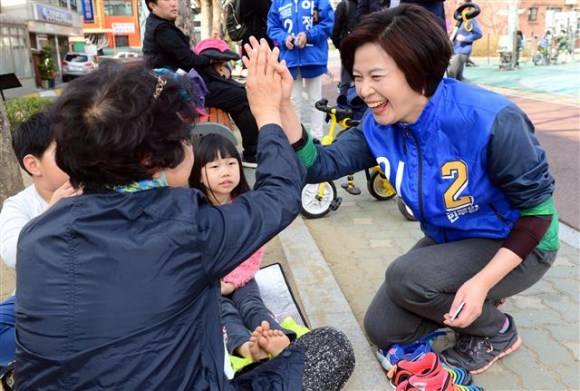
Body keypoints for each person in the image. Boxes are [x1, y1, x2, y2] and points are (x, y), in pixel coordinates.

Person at [14, 38, 355, 390]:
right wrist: (267, 113)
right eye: (185, 136)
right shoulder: (186, 228)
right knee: (330, 348)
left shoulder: (35, 235)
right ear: (152, 160)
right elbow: (280, 196)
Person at [280, 4, 559, 376]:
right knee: (383, 329)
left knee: (407, 276)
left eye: (377, 76)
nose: (364, 91)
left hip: (522, 241)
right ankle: (476, 295)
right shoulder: (380, 125)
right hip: (457, 239)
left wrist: (480, 283)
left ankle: (497, 331)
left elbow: (537, 214)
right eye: (358, 76)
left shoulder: (490, 119)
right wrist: (281, 106)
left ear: (418, 68)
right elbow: (319, 165)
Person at [188, 133, 296, 366]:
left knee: (252, 305)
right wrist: (216, 284)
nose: (225, 171)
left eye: (231, 163)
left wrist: (234, 282)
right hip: (211, 283)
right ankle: (246, 347)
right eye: (214, 166)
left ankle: (275, 337)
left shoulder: (246, 204)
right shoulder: (194, 210)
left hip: (241, 279)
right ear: (198, 173)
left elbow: (253, 250)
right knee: (223, 311)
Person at [0, 112, 81, 375]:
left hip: (84, 297)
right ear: (33, 165)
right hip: (34, 300)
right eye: (63, 150)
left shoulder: (95, 191)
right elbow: (13, 254)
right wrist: (51, 214)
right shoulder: (19, 205)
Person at [142, 0, 260, 168]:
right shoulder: (161, 29)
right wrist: (213, 58)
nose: (174, 4)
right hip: (182, 92)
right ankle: (252, 153)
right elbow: (190, 60)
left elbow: (187, 59)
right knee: (241, 97)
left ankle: (252, 150)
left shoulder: (160, 25)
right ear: (152, 5)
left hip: (180, 87)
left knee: (236, 92)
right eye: (167, 0)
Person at [267, 0, 334, 140]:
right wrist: (284, 38)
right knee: (292, 101)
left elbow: (328, 23)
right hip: (289, 60)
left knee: (316, 100)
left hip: (313, 57)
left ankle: (317, 138)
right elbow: (272, 27)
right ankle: (296, 139)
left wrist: (308, 35)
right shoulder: (279, 3)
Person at [447, 6, 482, 81]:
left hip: (463, 51)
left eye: (461, 4)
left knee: (451, 74)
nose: (459, 6)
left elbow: (479, 34)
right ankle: (472, 89)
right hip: (457, 49)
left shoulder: (470, 20)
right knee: (459, 77)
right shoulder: (461, 19)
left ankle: (469, 90)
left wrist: (465, 38)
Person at [331, 0, 358, 98]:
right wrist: (342, 47)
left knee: (347, 82)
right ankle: (344, 106)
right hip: (349, 49)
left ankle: (345, 106)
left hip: (350, 47)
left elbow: (335, 32)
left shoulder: (345, 5)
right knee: (347, 82)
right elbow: (335, 31)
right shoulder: (345, 5)